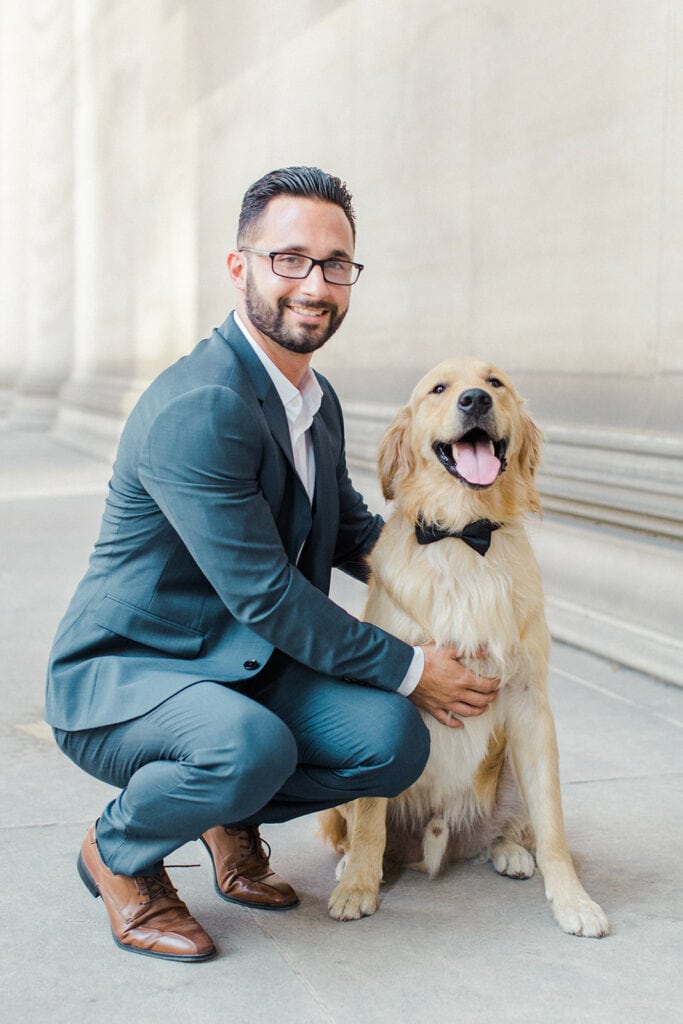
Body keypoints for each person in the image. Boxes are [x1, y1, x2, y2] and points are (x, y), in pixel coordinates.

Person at [45, 166, 499, 962]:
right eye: (288, 259)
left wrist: (464, 564)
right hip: (132, 673)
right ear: (240, 266)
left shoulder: (310, 397)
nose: (313, 285)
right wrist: (409, 664)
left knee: (390, 743)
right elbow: (265, 594)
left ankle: (224, 812)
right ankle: (120, 850)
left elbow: (349, 530)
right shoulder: (203, 404)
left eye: (334, 264)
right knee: (249, 746)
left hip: (242, 666)